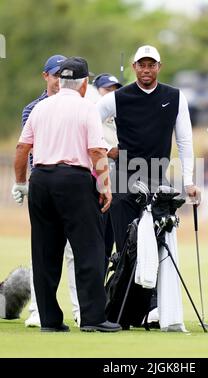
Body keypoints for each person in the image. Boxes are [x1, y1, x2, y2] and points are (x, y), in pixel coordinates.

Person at [12, 56, 121, 333]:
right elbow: (97, 151)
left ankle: (49, 319)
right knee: (89, 250)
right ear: (84, 83)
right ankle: (93, 317)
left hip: (41, 181)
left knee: (45, 251)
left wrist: (21, 182)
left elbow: (23, 148)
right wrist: (105, 187)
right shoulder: (87, 108)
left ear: (60, 81)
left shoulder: (40, 108)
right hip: (75, 180)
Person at [96, 45, 200, 255]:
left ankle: (155, 290)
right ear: (134, 67)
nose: (146, 69)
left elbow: (185, 141)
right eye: (141, 65)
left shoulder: (175, 97)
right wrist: (107, 149)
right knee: (126, 250)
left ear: (159, 67)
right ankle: (123, 287)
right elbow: (87, 124)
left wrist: (188, 180)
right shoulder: (116, 98)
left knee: (159, 250)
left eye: (151, 65)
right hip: (124, 179)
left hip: (157, 178)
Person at [19, 54, 81, 328]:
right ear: (45, 76)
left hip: (69, 183)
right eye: (55, 75)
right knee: (43, 250)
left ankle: (80, 310)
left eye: (63, 76)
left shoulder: (78, 105)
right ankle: (37, 309)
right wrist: (24, 182)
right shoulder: (33, 108)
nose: (59, 81)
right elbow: (28, 148)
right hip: (43, 183)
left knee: (73, 251)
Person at [92, 73, 122, 271]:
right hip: (96, 186)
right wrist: (110, 152)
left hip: (118, 185)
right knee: (98, 244)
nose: (111, 94)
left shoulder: (120, 119)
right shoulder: (93, 116)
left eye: (115, 90)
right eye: (107, 89)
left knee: (114, 240)